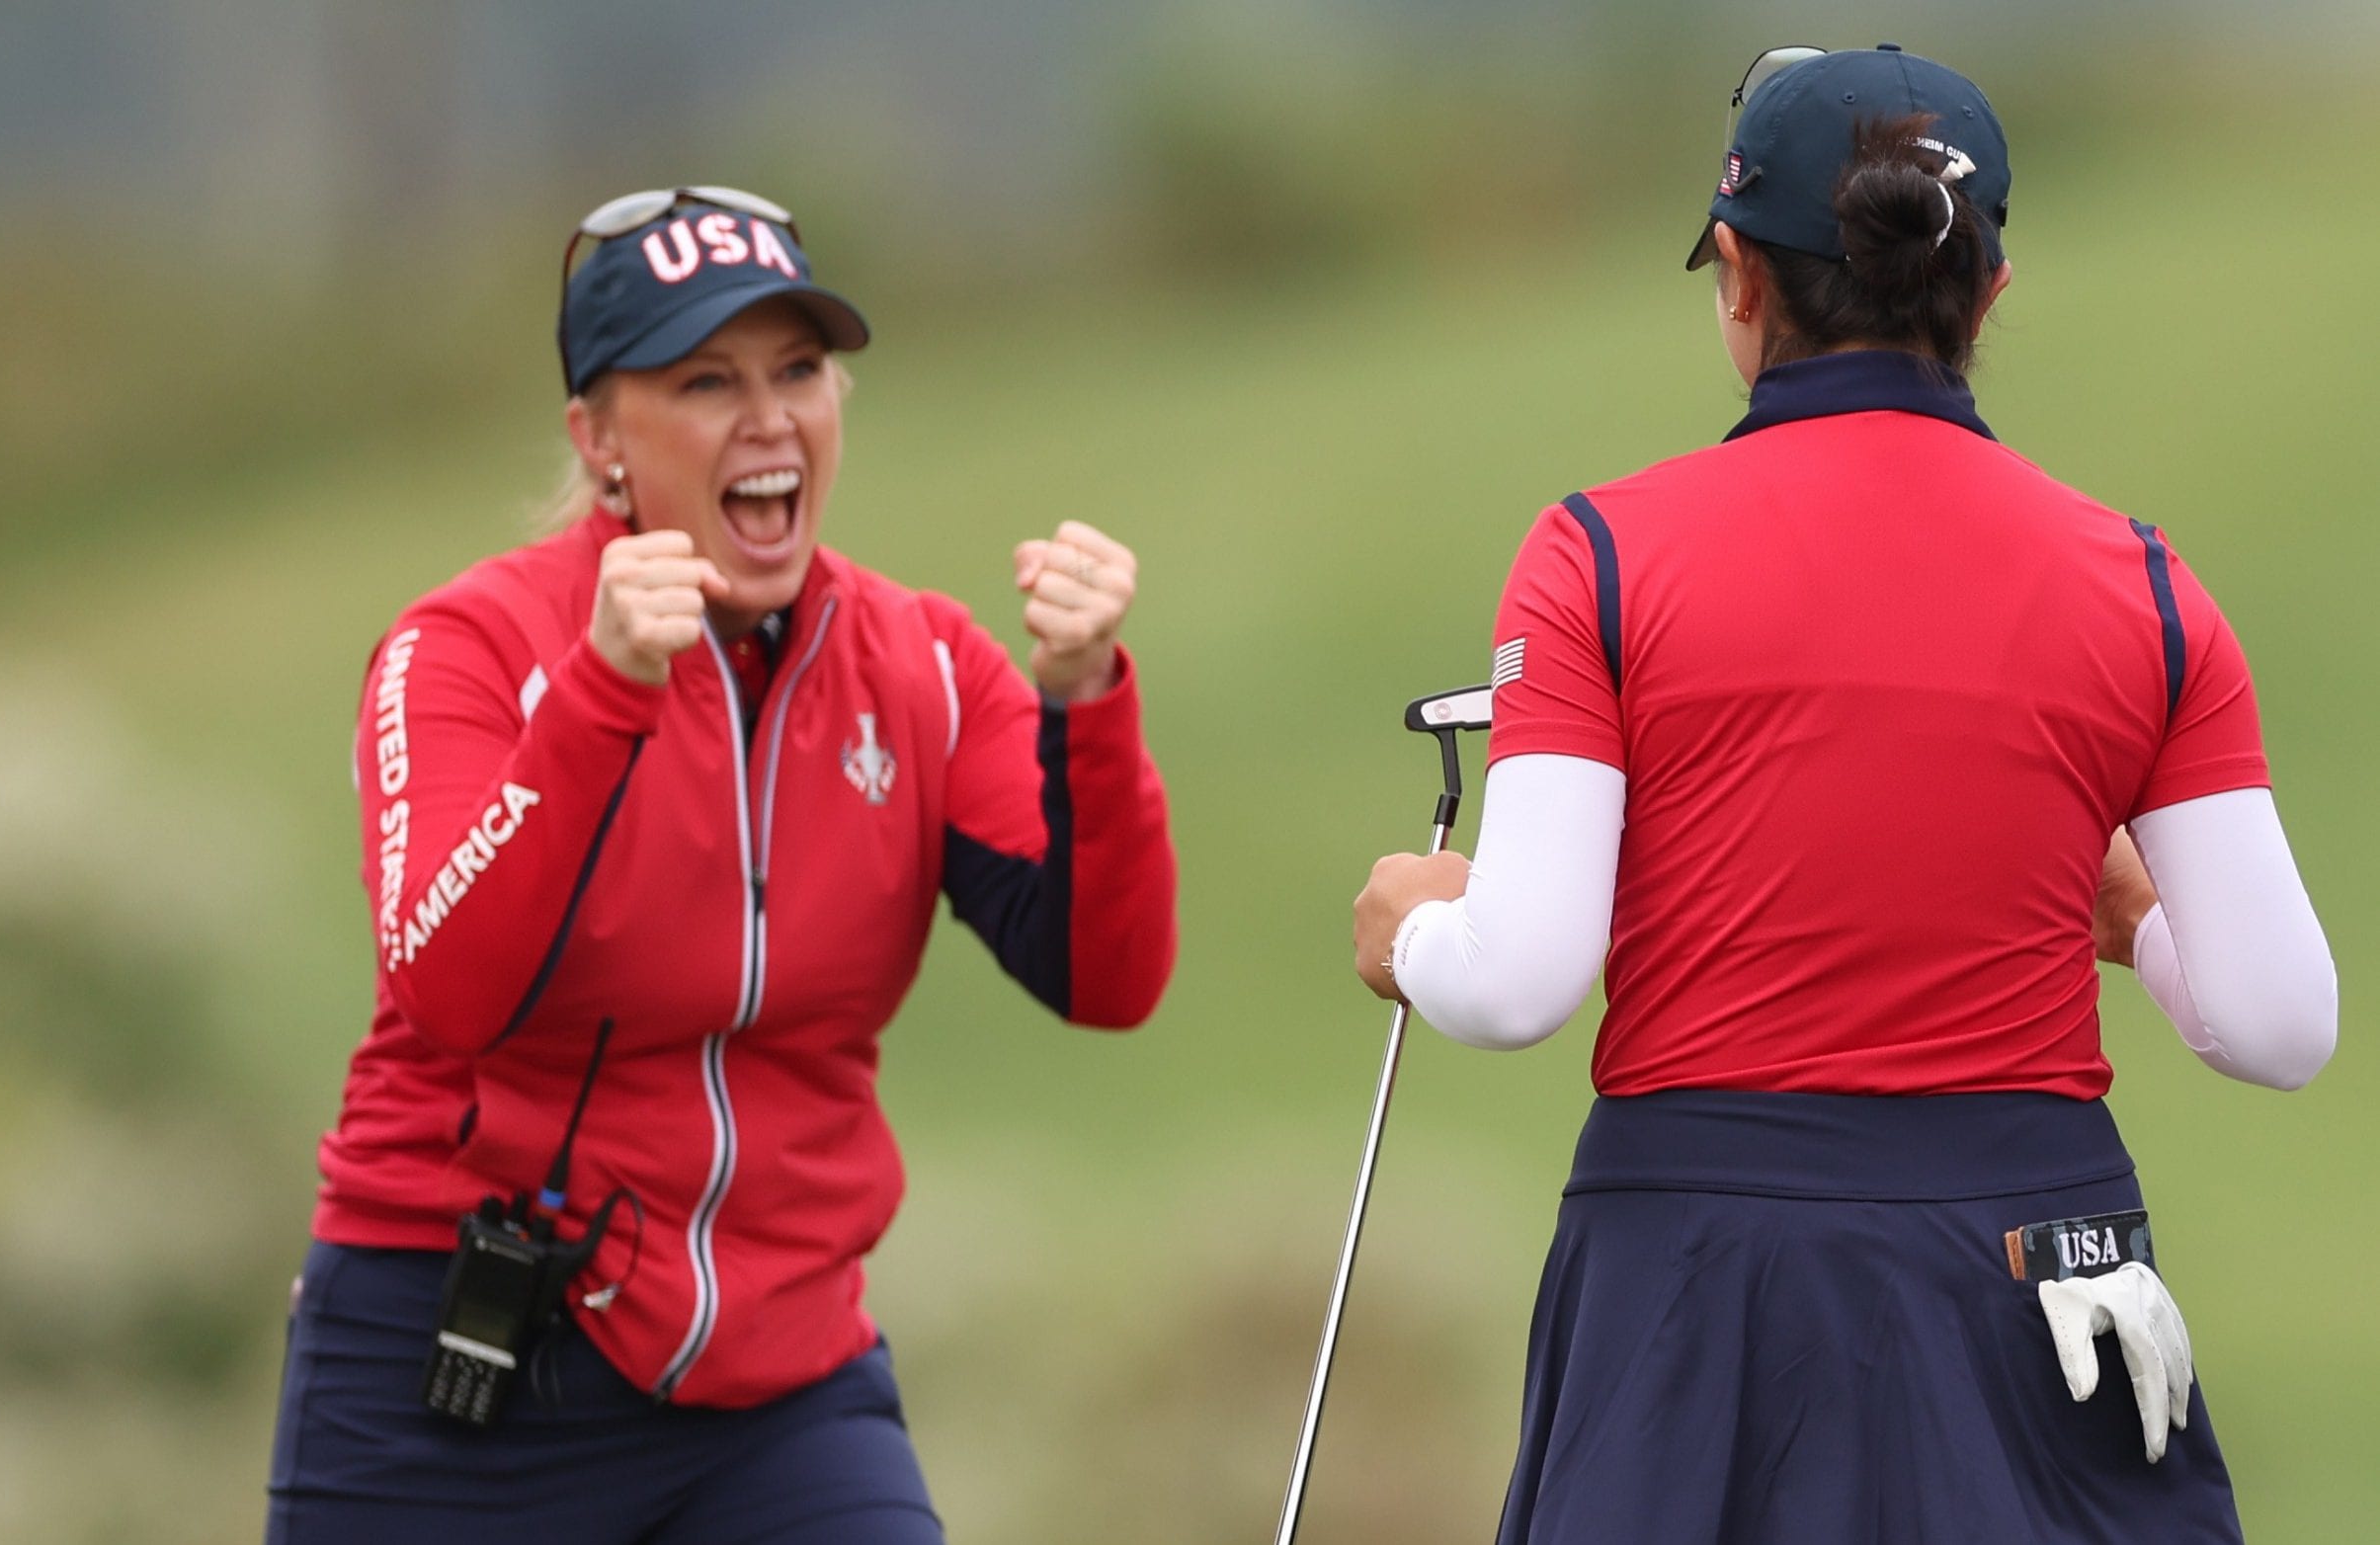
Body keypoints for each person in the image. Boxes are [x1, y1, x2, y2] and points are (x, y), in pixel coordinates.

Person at [1352, 45, 2336, 1545]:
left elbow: (1519, 982)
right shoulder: (2147, 588)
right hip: (2041, 1274)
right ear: (1990, 295)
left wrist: (1414, 928)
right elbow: (2280, 1025)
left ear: (1739, 276)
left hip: (1696, 1285)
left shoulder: (1595, 560)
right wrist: (2133, 924)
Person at [265, 185, 1179, 1544]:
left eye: (800, 370)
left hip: (780, 1385)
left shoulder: (920, 663)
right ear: (600, 439)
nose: (770, 420)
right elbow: (448, 987)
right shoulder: (469, 650)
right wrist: (603, 692)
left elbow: (1104, 975)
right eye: (706, 380)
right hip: (459, 1362)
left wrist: (1086, 701)